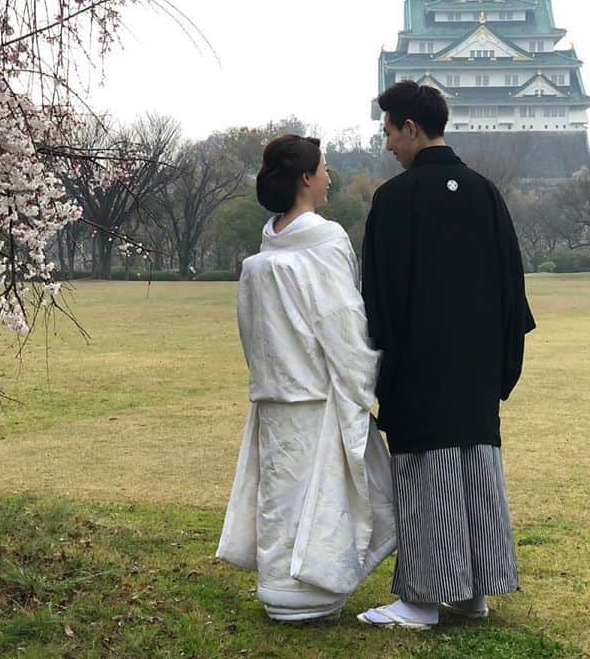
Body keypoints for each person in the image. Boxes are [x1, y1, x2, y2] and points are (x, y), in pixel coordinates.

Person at [357, 81, 536, 629]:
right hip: (478, 365)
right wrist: (500, 364)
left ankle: (419, 601)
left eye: (389, 131)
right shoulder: (484, 192)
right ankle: (474, 591)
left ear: (411, 128)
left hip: (419, 367)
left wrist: (381, 368)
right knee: (475, 470)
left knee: (425, 475)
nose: (386, 143)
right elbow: (513, 285)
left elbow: (378, 298)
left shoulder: (393, 201)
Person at [216, 134, 396, 622]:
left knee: (282, 491)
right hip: (316, 395)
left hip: (275, 395)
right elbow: (342, 322)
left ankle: (280, 587)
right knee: (321, 492)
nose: (329, 178)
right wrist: (364, 379)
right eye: (324, 169)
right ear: (305, 178)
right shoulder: (326, 239)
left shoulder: (264, 253)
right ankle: (310, 591)